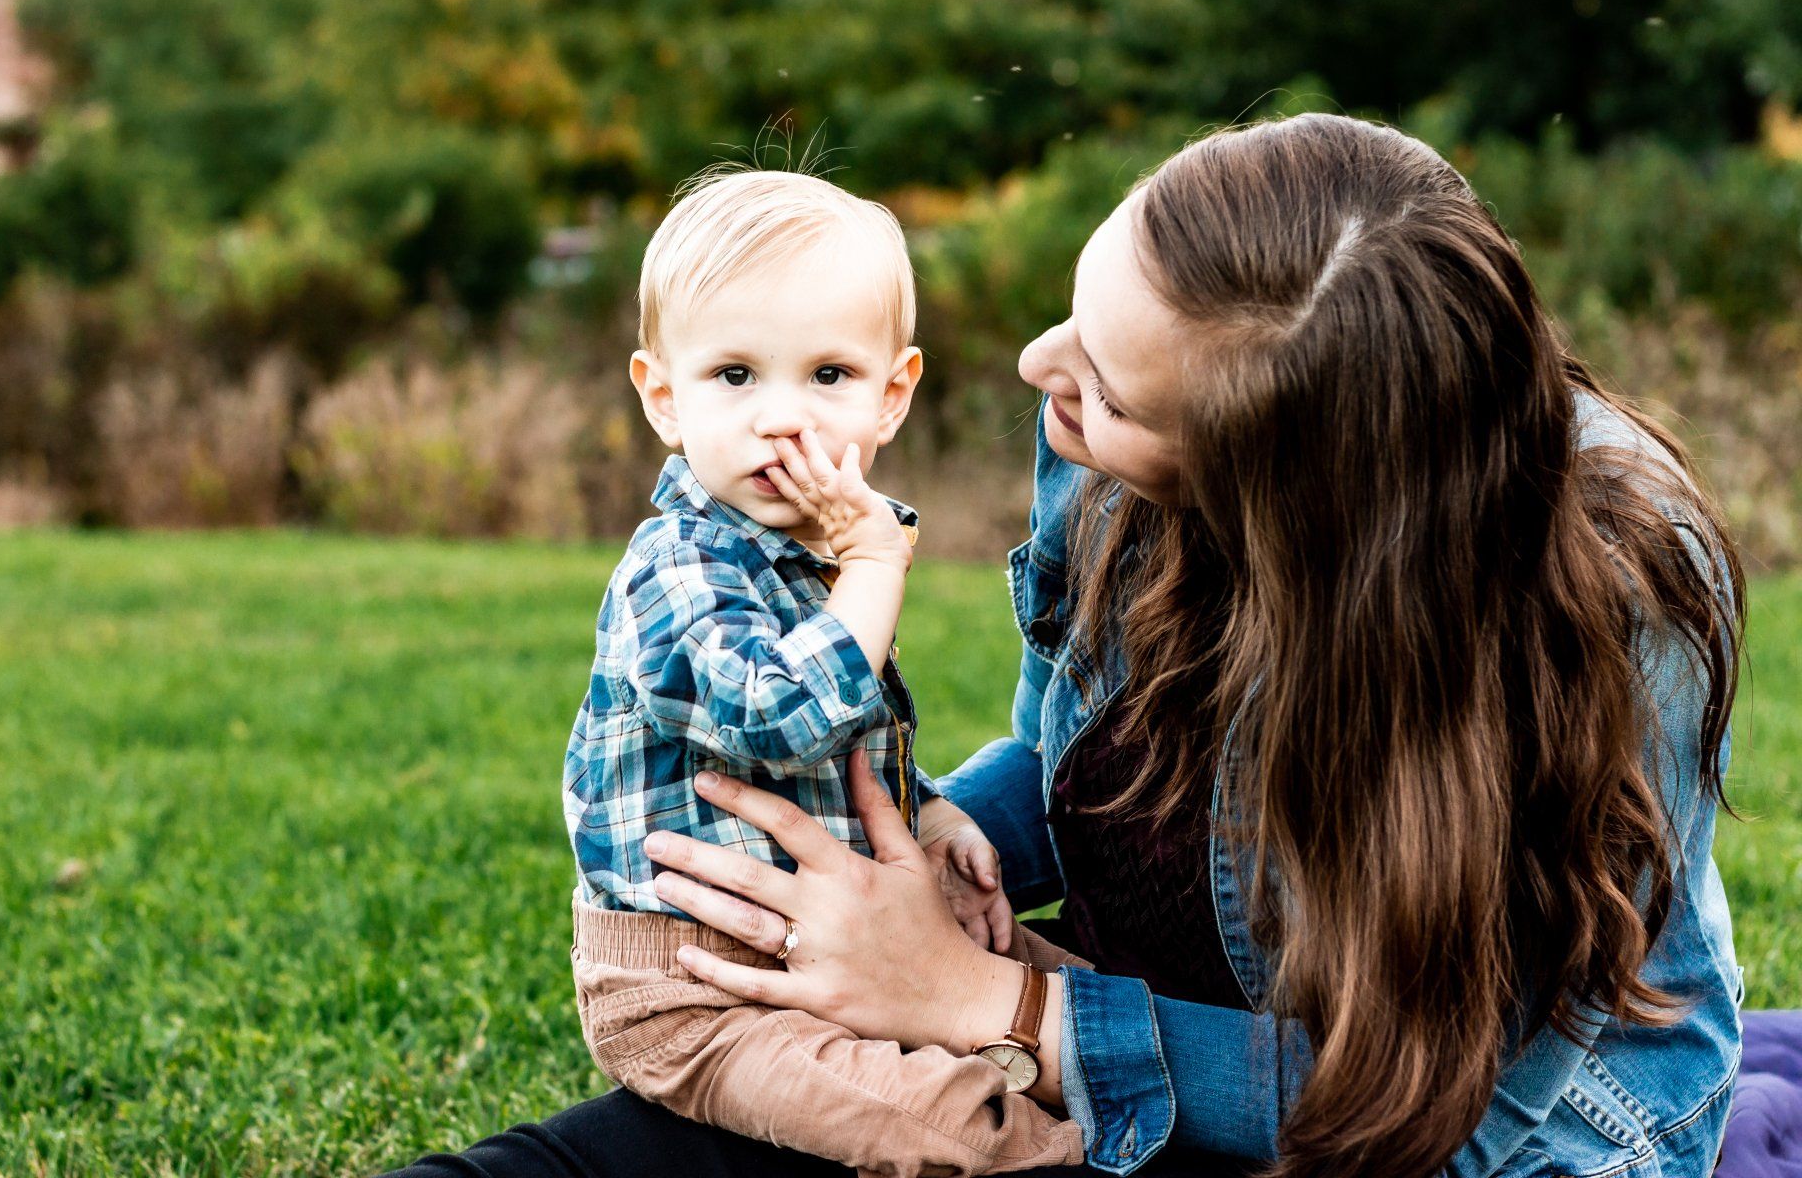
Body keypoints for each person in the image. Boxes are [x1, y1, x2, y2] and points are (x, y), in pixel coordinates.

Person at [384, 115, 1744, 1178]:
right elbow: (1071, 757)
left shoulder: (1610, 608)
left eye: (1103, 384)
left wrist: (990, 1009)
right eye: (1080, 315)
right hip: (1123, 1002)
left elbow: (1432, 1110)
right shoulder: (1108, 425)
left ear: (1278, 491)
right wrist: (933, 845)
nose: (1042, 370)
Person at [560, 167, 1086, 1177]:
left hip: (821, 942)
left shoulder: (812, 559)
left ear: (893, 396)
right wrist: (878, 563)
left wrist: (928, 813)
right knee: (938, 1123)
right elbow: (781, 717)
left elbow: (839, 756)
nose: (783, 418)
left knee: (1081, 994)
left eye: (830, 376)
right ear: (663, 395)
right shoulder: (674, 568)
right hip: (701, 993)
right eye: (735, 376)